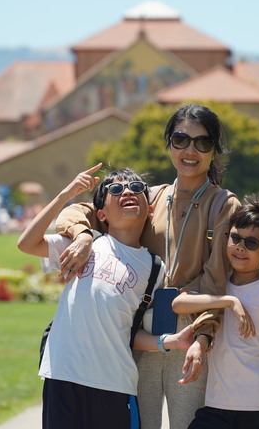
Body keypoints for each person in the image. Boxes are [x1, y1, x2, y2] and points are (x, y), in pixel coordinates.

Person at [55, 104, 241, 429]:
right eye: (181, 139)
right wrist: (83, 236)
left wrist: (202, 339)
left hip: (190, 331)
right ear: (169, 143)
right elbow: (79, 212)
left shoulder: (223, 204)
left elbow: (216, 280)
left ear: (214, 151)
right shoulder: (149, 197)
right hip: (139, 329)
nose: (190, 150)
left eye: (203, 142)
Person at [17, 163, 194, 429]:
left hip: (114, 384)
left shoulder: (156, 269)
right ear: (102, 214)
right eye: (116, 189)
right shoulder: (85, 246)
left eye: (136, 188)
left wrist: (170, 341)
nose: (128, 192)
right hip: (63, 375)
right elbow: (27, 243)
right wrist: (65, 195)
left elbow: (129, 333)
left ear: (149, 211)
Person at [172, 192, 259, 429]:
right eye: (235, 238)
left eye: (252, 243)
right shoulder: (216, 283)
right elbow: (178, 303)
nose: (240, 247)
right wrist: (228, 301)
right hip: (217, 406)